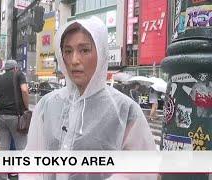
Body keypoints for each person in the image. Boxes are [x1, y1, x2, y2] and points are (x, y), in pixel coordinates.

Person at [20, 17, 156, 180]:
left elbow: (145, 170)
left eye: (84, 50)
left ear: (101, 52)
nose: (74, 60)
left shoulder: (125, 110)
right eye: (68, 51)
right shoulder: (47, 105)